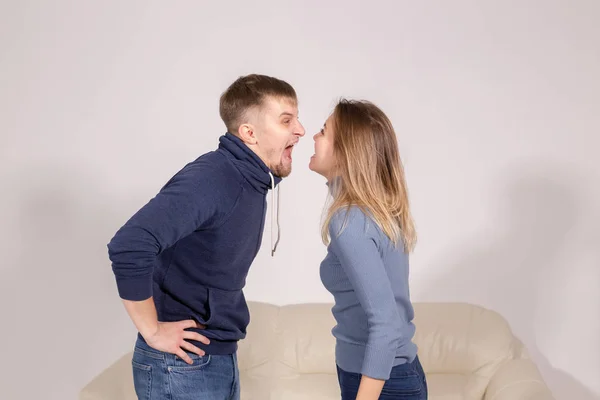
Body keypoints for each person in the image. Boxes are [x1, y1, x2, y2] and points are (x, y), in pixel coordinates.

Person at [107, 74, 305, 400]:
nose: (300, 130)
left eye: (297, 118)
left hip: (213, 358)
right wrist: (153, 331)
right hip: (181, 366)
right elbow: (129, 244)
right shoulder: (215, 177)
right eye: (287, 120)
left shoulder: (250, 181)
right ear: (249, 133)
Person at [309, 99, 427, 399]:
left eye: (324, 131)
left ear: (345, 152)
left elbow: (385, 325)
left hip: (381, 381)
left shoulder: (348, 220)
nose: (314, 136)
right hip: (396, 374)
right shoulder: (378, 213)